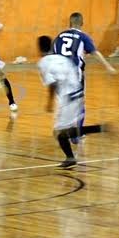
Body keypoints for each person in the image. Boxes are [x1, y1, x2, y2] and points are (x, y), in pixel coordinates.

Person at [53, 12, 116, 141]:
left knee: (64, 103)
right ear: (82, 23)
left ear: (69, 23)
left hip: (59, 75)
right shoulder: (83, 37)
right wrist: (108, 67)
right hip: (75, 75)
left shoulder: (59, 36)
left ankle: (61, 129)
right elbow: (95, 53)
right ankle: (77, 134)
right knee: (79, 103)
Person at [37, 36, 82, 169]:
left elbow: (52, 84)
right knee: (66, 131)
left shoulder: (43, 63)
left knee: (59, 132)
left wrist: (50, 102)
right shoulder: (62, 58)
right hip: (78, 93)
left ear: (39, 48)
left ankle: (70, 158)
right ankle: (97, 129)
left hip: (68, 98)